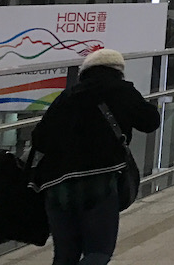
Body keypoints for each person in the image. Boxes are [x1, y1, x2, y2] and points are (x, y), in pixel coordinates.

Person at [30, 49, 161, 265]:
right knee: (98, 252)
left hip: (56, 183)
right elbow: (150, 121)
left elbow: (39, 139)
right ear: (118, 70)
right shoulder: (121, 90)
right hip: (99, 179)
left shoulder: (67, 96)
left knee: (65, 256)